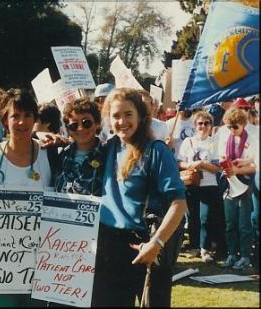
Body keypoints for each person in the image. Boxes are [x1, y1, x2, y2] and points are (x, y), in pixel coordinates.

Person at [93, 88, 186, 307]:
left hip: (146, 245)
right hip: (108, 246)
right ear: (108, 118)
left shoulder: (156, 151)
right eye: (116, 115)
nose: (122, 121)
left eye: (128, 114)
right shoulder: (108, 148)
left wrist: (157, 242)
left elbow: (179, 203)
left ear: (141, 116)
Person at [0, 89, 51, 307]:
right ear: (3, 120)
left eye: (28, 115)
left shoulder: (50, 155)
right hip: (1, 265)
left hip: (39, 262)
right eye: (15, 116)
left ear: (36, 120)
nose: (21, 122)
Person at [177, 111, 222, 263]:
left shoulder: (214, 143)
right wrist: (189, 165)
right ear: (195, 126)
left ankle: (205, 248)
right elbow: (179, 162)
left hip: (209, 184)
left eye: (206, 123)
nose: (203, 126)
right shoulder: (188, 142)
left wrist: (202, 164)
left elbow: (217, 168)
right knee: (193, 217)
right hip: (191, 183)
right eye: (200, 123)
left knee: (205, 218)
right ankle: (195, 246)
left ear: (211, 125)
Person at [217, 107, 258, 270]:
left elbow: (255, 166)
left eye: (235, 127)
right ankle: (232, 254)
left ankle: (245, 256)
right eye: (229, 127)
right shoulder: (225, 138)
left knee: (244, 225)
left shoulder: (253, 140)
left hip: (245, 185)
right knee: (230, 223)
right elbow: (221, 158)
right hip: (229, 185)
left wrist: (239, 168)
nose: (232, 130)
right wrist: (226, 164)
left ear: (243, 124)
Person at [54, 98, 106, 196]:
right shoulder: (62, 155)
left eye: (86, 123)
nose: (81, 128)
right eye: (74, 125)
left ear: (97, 123)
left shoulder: (107, 155)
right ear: (68, 129)